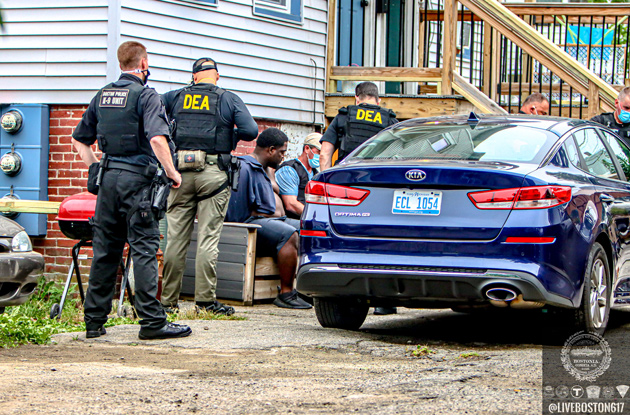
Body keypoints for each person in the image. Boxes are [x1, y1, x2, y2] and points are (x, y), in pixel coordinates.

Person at [71, 41, 191, 340]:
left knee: (105, 251)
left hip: (108, 181)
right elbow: (157, 140)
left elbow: (79, 141)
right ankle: (152, 322)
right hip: (138, 183)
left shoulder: (103, 95)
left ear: (121, 64)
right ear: (144, 63)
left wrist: (95, 168)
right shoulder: (146, 96)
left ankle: (94, 322)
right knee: (144, 249)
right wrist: (172, 173)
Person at [160, 57, 258, 315]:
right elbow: (250, 130)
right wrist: (229, 135)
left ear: (194, 77)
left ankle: (167, 302)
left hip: (178, 173)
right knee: (207, 239)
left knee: (175, 240)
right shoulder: (227, 98)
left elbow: (153, 122)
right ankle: (205, 302)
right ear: (217, 76)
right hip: (213, 174)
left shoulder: (173, 97)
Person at [225, 128, 312, 309]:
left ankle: (306, 289)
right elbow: (237, 213)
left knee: (308, 228)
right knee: (289, 234)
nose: (283, 157)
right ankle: (286, 293)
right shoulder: (245, 167)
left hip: (270, 222)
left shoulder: (266, 169)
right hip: (248, 226)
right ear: (271, 150)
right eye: (281, 152)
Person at [320, 82, 398, 171]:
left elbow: (324, 154)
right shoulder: (390, 121)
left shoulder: (343, 117)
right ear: (378, 101)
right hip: (377, 178)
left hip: (345, 176)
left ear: (357, 99)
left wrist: (326, 180)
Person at [275, 132, 321, 219]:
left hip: (306, 220)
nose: (321, 156)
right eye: (318, 152)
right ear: (307, 148)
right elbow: (291, 205)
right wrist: (315, 217)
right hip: (289, 221)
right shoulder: (289, 170)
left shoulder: (316, 174)